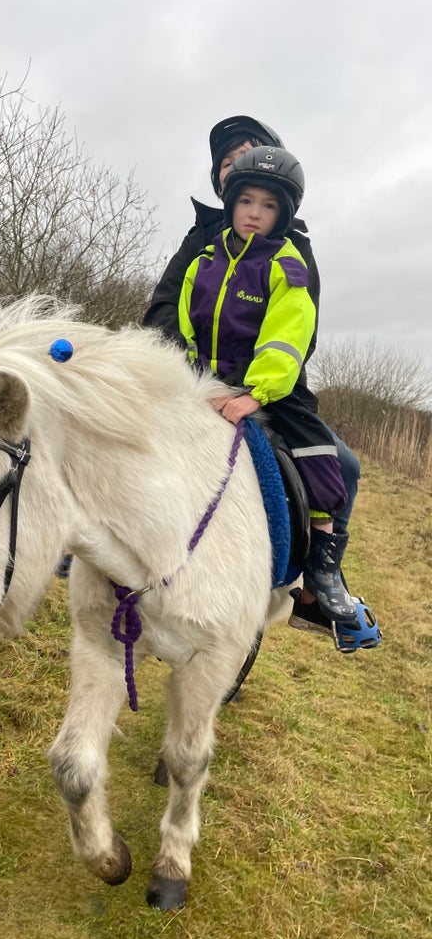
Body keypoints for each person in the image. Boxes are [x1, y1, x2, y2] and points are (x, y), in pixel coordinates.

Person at [144, 115, 371, 646]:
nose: (254, 210)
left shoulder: (290, 250)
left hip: (268, 385)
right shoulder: (202, 243)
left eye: (267, 203)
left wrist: (255, 388)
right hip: (195, 376)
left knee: (341, 466)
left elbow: (297, 329)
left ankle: (318, 581)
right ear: (224, 183)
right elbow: (165, 310)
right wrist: (186, 373)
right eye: (229, 165)